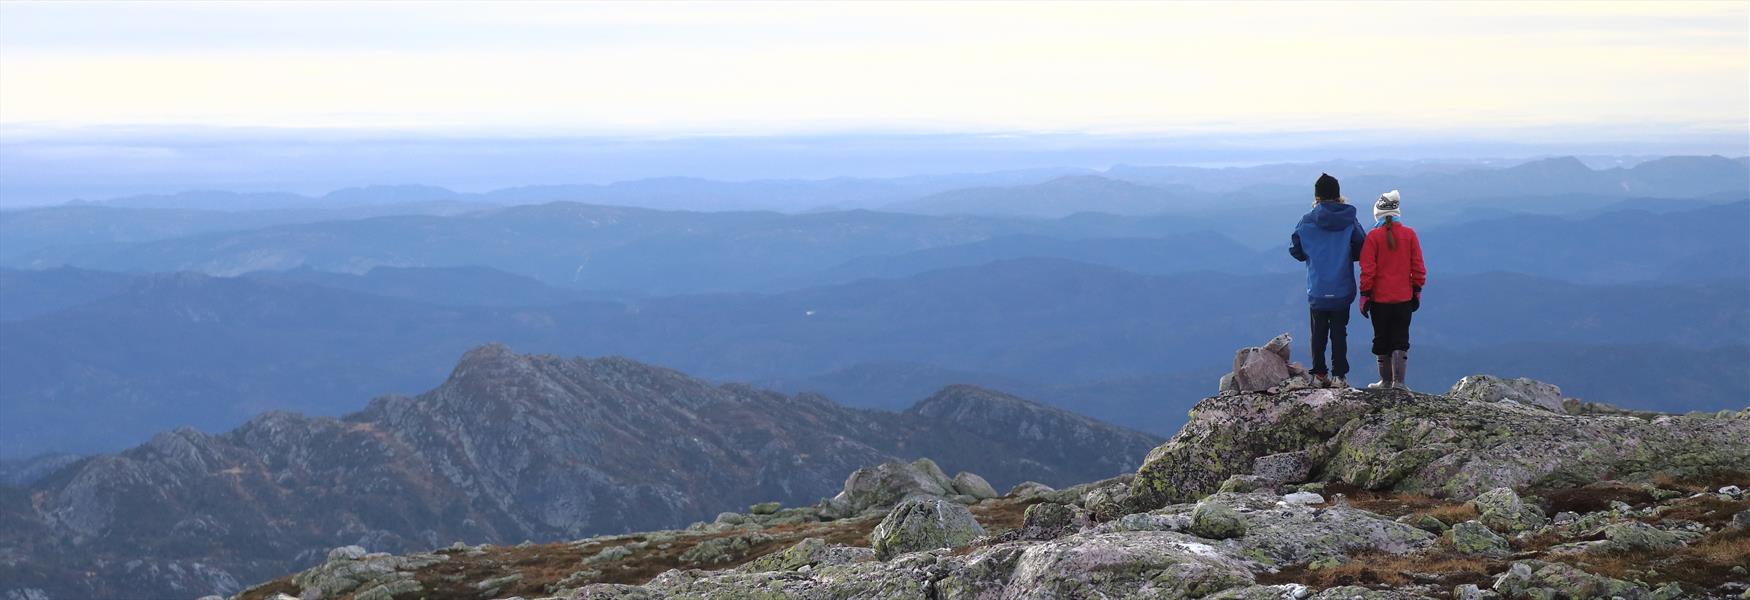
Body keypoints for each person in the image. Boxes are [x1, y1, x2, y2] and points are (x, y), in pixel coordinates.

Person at [1289, 173, 1365, 388]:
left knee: (1318, 333)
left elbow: (1295, 249)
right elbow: (1362, 246)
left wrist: (1311, 255)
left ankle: (1319, 375)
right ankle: (1339, 376)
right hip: (1342, 287)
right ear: (1338, 195)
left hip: (1318, 287)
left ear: (1317, 197)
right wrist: (1346, 255)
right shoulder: (1349, 220)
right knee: (1339, 333)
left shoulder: (1306, 220)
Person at [1358, 189, 1426, 390]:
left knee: (1381, 338)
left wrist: (1365, 294)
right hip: (1404, 298)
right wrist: (1417, 290)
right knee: (1400, 338)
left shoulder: (1373, 237)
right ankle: (1400, 382)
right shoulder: (1409, 234)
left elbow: (1367, 270)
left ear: (1378, 214)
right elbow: (1418, 267)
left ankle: (1386, 381)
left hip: (1379, 300)